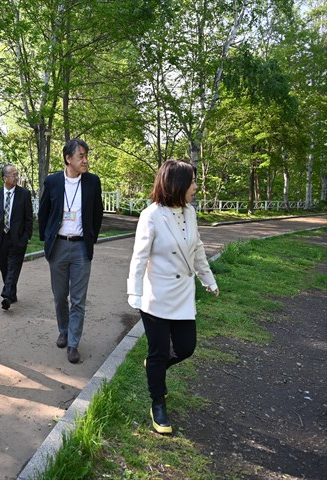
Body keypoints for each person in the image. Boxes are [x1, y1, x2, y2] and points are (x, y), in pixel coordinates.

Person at [126, 159, 220, 434]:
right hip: (156, 295)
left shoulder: (190, 212)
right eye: (192, 182)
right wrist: (135, 293)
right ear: (177, 184)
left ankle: (154, 368)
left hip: (182, 295)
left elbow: (197, 249)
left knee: (186, 347)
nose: (195, 187)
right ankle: (158, 403)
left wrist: (208, 279)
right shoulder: (151, 215)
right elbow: (139, 258)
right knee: (158, 351)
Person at [38, 138, 104, 364]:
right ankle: (63, 330)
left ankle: (73, 343)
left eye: (86, 156)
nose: (85, 160)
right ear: (68, 158)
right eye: (81, 156)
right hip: (58, 246)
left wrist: (91, 238)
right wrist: (46, 241)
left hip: (81, 248)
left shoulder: (93, 182)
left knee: (78, 299)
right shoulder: (53, 181)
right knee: (60, 297)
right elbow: (44, 212)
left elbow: (97, 213)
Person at [0, 164, 34, 310]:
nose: (16, 177)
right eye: (13, 175)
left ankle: (7, 296)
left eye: (16, 174)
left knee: (13, 268)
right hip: (0, 238)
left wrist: (25, 237)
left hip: (17, 239)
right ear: (4, 178)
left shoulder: (24, 194)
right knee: (5, 269)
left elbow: (29, 218)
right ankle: (11, 294)